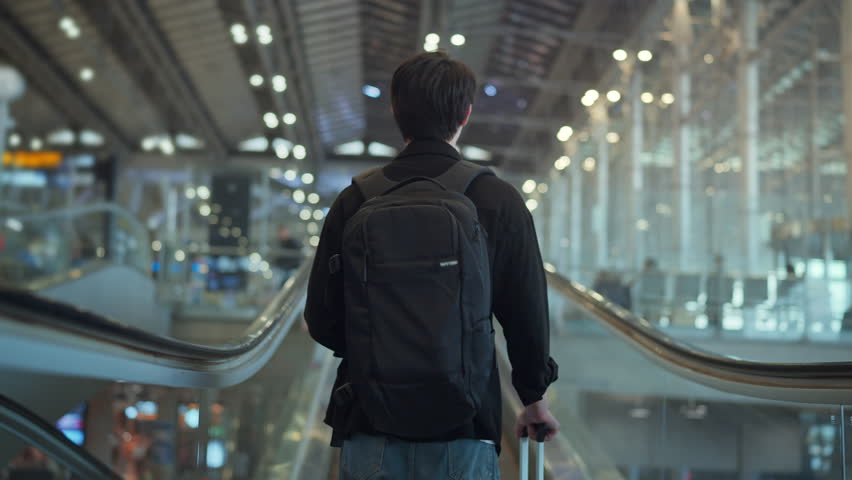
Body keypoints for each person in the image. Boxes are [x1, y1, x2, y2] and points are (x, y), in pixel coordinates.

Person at [305, 51, 559, 479]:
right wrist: (533, 399)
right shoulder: (498, 201)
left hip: (369, 423)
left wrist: (376, 347)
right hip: (466, 426)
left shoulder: (355, 201)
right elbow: (526, 313)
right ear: (466, 113)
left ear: (395, 111)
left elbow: (322, 319)